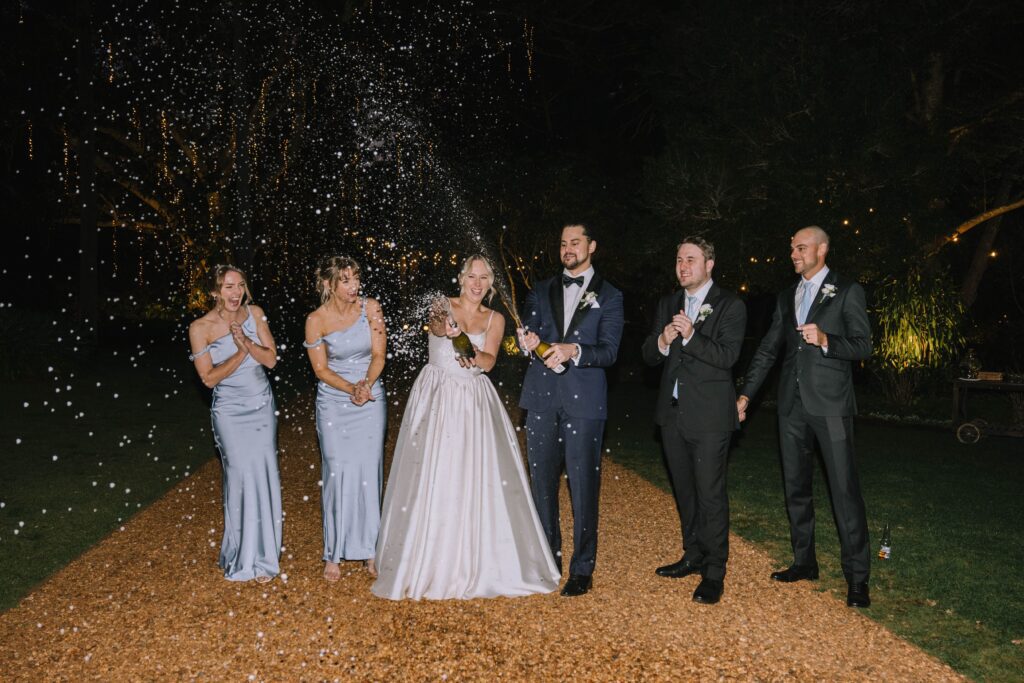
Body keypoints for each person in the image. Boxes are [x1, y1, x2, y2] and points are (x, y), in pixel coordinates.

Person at [372, 254, 559, 600]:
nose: (477, 282)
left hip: (473, 399)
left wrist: (473, 353)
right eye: (472, 276)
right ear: (461, 278)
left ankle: (476, 558)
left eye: (484, 277)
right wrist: (451, 331)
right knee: (431, 472)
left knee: (472, 474)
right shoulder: (442, 306)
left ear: (489, 284)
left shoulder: (496, 318)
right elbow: (437, 328)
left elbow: (488, 361)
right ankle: (423, 557)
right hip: (437, 395)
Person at [736, 226, 873, 608]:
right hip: (791, 408)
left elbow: (865, 345)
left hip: (830, 407)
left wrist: (828, 340)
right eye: (792, 248)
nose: (793, 254)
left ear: (822, 249)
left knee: (844, 491)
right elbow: (767, 351)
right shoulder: (786, 296)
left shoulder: (847, 291)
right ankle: (804, 561)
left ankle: (858, 577)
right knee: (795, 487)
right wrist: (746, 394)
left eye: (800, 247)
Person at [518, 223, 624, 597]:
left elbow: (610, 351)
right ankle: (549, 559)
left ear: (592, 246)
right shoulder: (540, 289)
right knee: (542, 486)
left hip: (584, 404)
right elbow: (529, 333)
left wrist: (574, 351)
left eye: (575, 242)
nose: (568, 248)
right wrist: (527, 340)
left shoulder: (610, 295)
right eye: (563, 243)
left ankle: (582, 568)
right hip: (542, 398)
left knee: (583, 486)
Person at [641, 236, 746, 605]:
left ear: (709, 264)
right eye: (678, 259)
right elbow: (648, 355)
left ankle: (715, 571)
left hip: (710, 420)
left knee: (710, 494)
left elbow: (728, 356)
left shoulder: (730, 305)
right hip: (672, 417)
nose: (683, 266)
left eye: (691, 259)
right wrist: (663, 342)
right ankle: (693, 554)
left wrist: (691, 335)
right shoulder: (669, 303)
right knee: (684, 491)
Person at [188, 265, 282, 583]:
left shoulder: (255, 313)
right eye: (228, 287)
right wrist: (242, 352)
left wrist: (248, 343)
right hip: (229, 410)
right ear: (215, 291)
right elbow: (208, 378)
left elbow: (271, 359)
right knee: (240, 476)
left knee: (263, 473)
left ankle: (264, 557)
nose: (236, 293)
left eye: (240, 285)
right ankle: (241, 554)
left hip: (260, 405)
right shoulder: (200, 328)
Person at [304, 256, 387, 582]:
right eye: (346, 280)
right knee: (337, 472)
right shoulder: (316, 320)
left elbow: (379, 354)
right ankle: (333, 552)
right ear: (329, 284)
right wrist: (351, 387)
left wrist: (365, 383)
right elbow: (321, 369)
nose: (354, 286)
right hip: (334, 401)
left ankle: (370, 549)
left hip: (369, 396)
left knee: (368, 471)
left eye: (356, 279)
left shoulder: (372, 308)